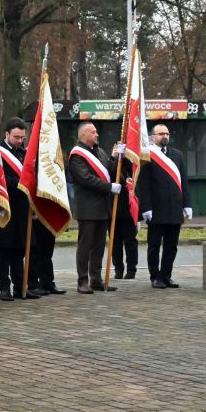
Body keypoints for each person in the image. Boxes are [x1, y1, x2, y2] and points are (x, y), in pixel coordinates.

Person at [68, 121, 121, 294]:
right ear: (83, 135)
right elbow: (85, 178)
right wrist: (109, 187)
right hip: (88, 207)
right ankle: (82, 281)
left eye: (96, 132)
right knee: (85, 245)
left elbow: (110, 172)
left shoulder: (100, 152)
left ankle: (96, 279)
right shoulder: (77, 155)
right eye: (93, 132)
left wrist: (116, 158)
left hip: (103, 207)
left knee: (99, 245)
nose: (97, 135)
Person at [137, 124, 191, 289]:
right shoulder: (147, 155)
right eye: (161, 134)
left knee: (171, 245)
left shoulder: (177, 154)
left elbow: (184, 182)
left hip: (175, 208)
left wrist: (187, 205)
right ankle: (155, 277)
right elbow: (143, 184)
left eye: (167, 133)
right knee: (154, 245)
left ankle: (166, 275)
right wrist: (146, 207)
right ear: (152, 137)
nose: (165, 136)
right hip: (156, 209)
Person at [0, 118, 39, 301]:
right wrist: (23, 183)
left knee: (20, 249)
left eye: (22, 137)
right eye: (16, 137)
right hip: (4, 207)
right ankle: (4, 287)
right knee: (5, 250)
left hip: (22, 209)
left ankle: (20, 286)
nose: (20, 141)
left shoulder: (24, 154)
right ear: (6, 134)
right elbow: (0, 180)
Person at [110, 148, 138, 279]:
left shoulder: (129, 165)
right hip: (113, 211)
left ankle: (131, 269)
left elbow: (133, 172)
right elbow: (110, 172)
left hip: (128, 211)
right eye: (116, 148)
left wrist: (125, 156)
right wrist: (115, 158)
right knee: (115, 242)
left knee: (130, 242)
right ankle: (118, 269)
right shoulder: (110, 163)